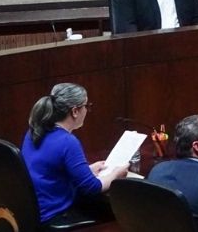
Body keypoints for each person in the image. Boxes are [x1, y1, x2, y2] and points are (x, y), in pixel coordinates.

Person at [21, 83, 127, 224]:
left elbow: (49, 172)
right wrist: (116, 174)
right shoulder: (67, 141)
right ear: (75, 111)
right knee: (122, 212)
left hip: (36, 211)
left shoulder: (34, 132)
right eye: (86, 106)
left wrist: (88, 170)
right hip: (56, 214)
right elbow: (93, 188)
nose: (87, 111)